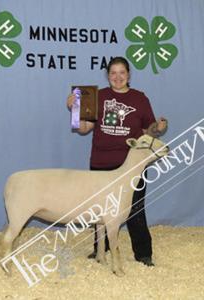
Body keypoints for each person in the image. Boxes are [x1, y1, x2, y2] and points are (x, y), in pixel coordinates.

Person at [67, 56, 167, 266]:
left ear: (128, 75)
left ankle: (143, 254)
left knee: (135, 208)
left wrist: (158, 128)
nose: (118, 77)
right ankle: (99, 251)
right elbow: (83, 129)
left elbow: (146, 131)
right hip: (101, 164)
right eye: (113, 73)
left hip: (131, 166)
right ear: (107, 75)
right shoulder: (97, 96)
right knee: (98, 210)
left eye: (122, 72)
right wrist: (74, 109)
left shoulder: (140, 98)